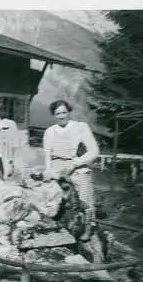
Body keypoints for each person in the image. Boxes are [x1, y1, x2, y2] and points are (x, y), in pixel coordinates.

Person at [42, 100, 100, 241]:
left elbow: (94, 151)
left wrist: (75, 163)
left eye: (64, 112)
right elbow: (47, 154)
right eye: (58, 113)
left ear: (69, 112)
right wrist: (49, 171)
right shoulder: (50, 131)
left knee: (84, 199)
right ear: (54, 115)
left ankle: (88, 227)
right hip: (57, 169)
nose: (61, 116)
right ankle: (57, 225)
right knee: (53, 198)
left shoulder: (81, 127)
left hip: (77, 167)